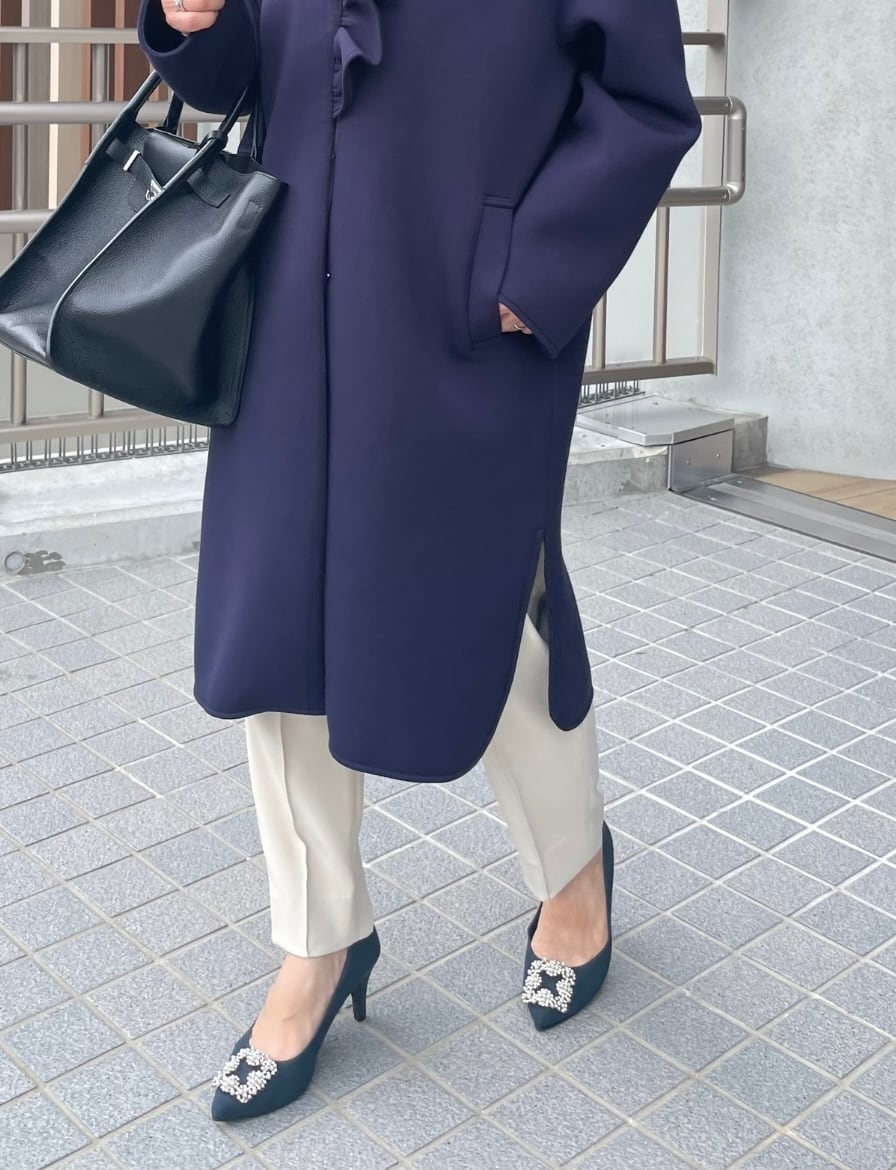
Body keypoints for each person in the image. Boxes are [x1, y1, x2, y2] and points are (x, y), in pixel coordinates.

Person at [138, 0, 700, 1121]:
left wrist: (533, 267)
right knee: (278, 624)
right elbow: (243, 75)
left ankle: (574, 872)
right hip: (288, 301)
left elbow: (644, 99)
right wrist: (192, 22)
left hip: (461, 306)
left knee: (487, 605)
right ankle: (317, 941)